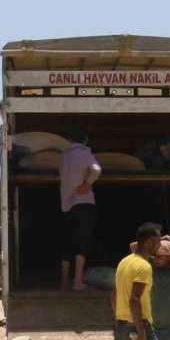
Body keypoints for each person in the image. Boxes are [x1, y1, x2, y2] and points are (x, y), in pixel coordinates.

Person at [59, 125, 101, 291]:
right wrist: (87, 183)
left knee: (67, 242)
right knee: (81, 242)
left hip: (66, 204)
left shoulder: (63, 156)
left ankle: (64, 281)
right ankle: (77, 282)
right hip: (83, 202)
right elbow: (96, 169)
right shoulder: (85, 153)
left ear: (69, 139)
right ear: (86, 139)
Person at [113, 223, 162, 340]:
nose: (159, 246)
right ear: (148, 242)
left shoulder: (124, 262)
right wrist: (141, 333)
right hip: (137, 326)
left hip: (121, 325)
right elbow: (134, 299)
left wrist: (118, 319)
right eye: (158, 242)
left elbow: (114, 294)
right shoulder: (144, 267)